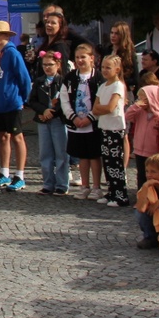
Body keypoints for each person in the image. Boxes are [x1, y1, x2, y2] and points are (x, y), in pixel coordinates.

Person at [0, 21, 32, 191]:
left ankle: (19, 175)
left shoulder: (12, 53)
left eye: (0, 34)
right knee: (2, 137)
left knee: (17, 137)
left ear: (7, 35)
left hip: (12, 102)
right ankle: (4, 173)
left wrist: (23, 99)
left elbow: (24, 78)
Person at [62, 43, 102, 200]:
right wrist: (73, 117)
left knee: (94, 156)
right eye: (77, 57)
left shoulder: (98, 78)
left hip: (93, 124)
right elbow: (64, 99)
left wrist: (90, 118)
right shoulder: (70, 78)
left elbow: (101, 100)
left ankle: (96, 187)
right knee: (82, 156)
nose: (79, 60)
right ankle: (85, 186)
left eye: (83, 57)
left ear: (91, 58)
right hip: (76, 123)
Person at [91, 55, 129, 207]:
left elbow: (110, 107)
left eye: (108, 67)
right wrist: (102, 108)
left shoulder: (118, 85)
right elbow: (95, 108)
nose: (105, 70)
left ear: (117, 69)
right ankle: (112, 191)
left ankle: (121, 195)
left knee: (115, 163)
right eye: (103, 67)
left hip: (115, 128)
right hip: (104, 127)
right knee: (107, 162)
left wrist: (102, 108)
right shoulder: (102, 86)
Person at [29, 51, 68, 196]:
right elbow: (32, 100)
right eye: (44, 65)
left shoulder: (63, 81)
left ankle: (62, 184)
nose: (47, 67)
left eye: (50, 65)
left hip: (58, 120)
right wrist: (43, 110)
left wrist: (52, 112)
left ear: (57, 65)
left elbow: (65, 101)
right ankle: (48, 183)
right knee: (45, 153)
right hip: (43, 120)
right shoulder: (39, 81)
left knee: (61, 153)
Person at [126, 84, 159, 190]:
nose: (141, 101)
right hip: (139, 149)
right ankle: (141, 195)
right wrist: (136, 106)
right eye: (139, 98)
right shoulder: (139, 112)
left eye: (144, 99)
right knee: (141, 174)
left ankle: (153, 195)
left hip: (152, 150)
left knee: (153, 175)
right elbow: (127, 115)